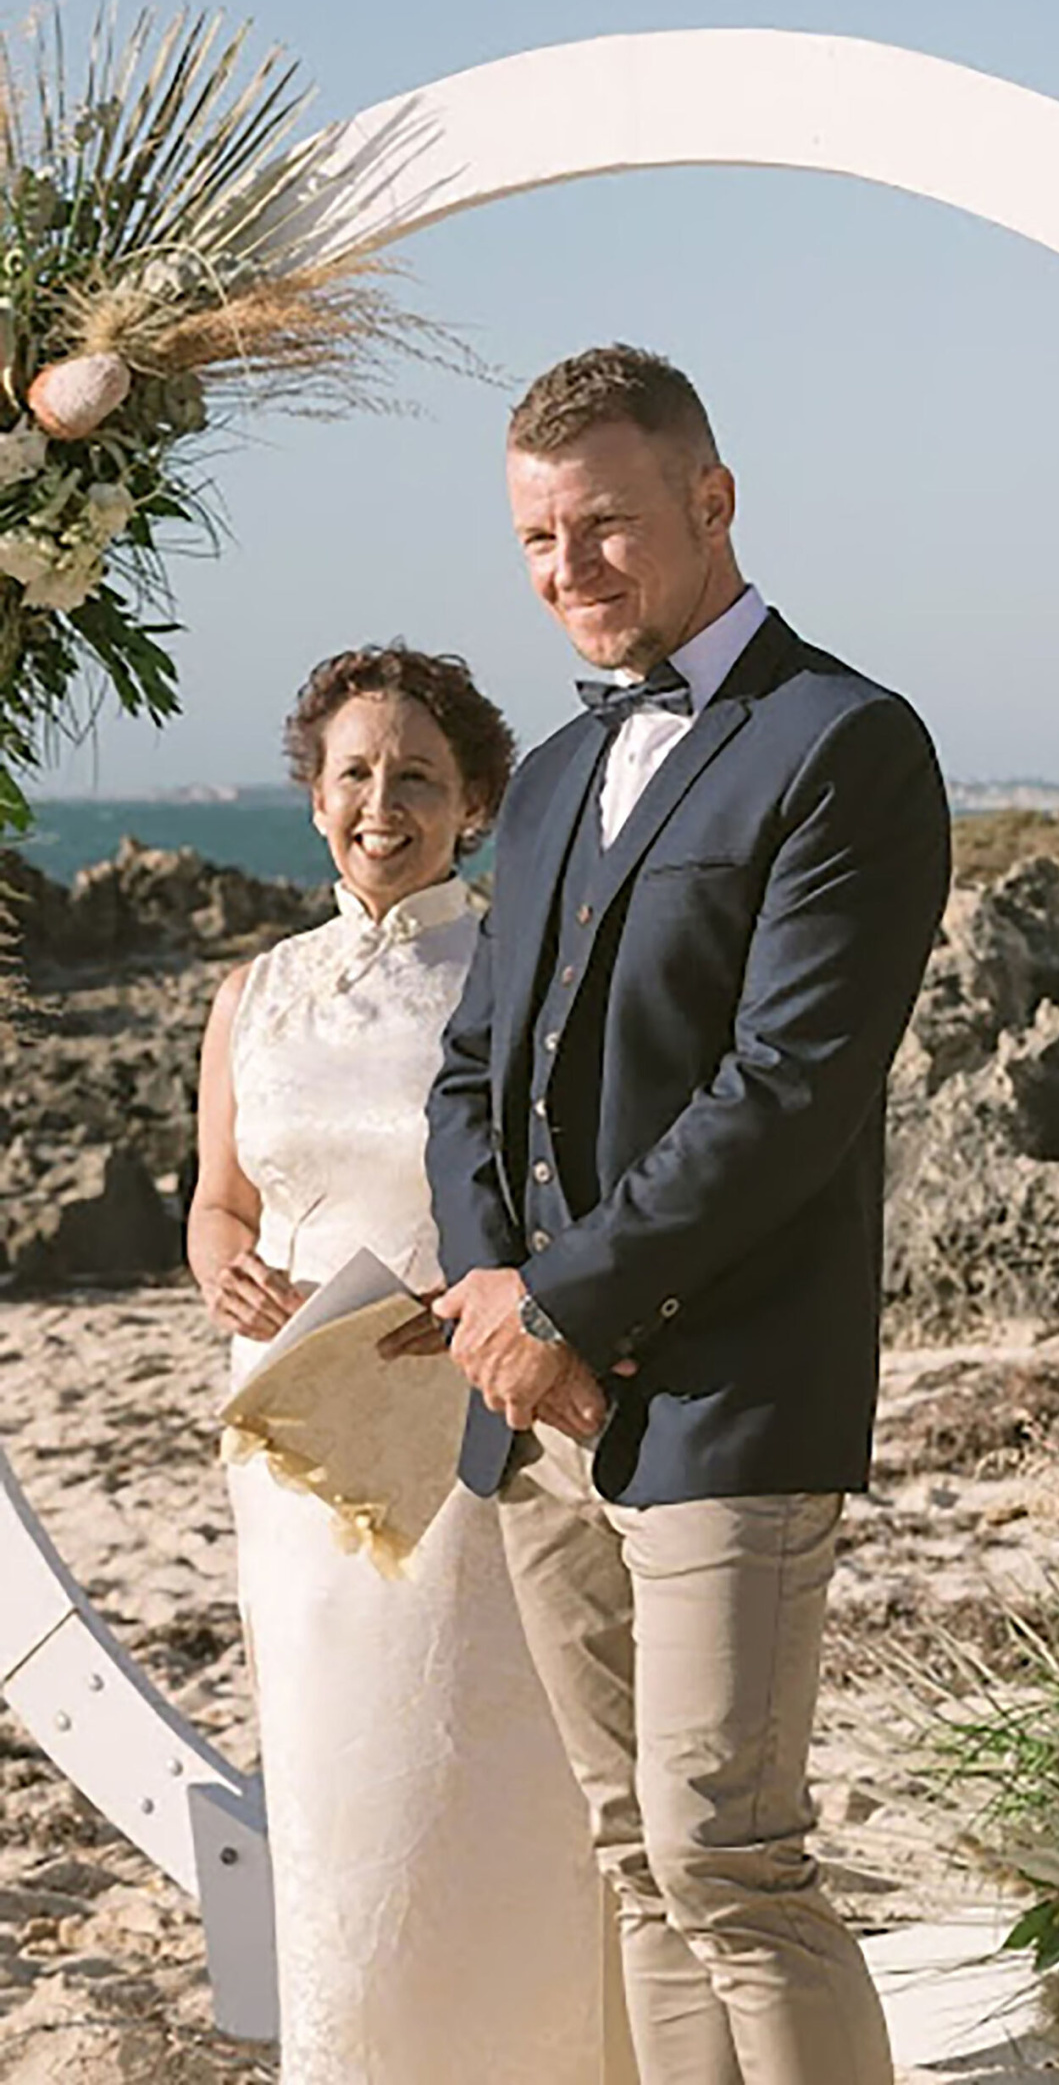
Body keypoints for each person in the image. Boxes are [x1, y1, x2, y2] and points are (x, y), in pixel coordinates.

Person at [424, 343, 951, 2085]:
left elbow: (790, 1092)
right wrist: (500, 1292)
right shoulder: (558, 775)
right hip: (536, 1406)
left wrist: (562, 1308)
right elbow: (472, 1068)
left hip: (730, 1391)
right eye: (536, 540)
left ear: (711, 503)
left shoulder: (846, 744)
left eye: (606, 527)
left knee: (729, 1857)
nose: (570, 570)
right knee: (633, 1867)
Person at [189, 646, 612, 2085]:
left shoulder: (510, 969)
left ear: (474, 804)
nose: (384, 802)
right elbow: (219, 1196)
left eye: (417, 776)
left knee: (487, 1762)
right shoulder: (251, 995)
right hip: (300, 1445)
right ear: (312, 799)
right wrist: (214, 1261)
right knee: (335, 1773)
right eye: (356, 773)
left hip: (471, 1411)